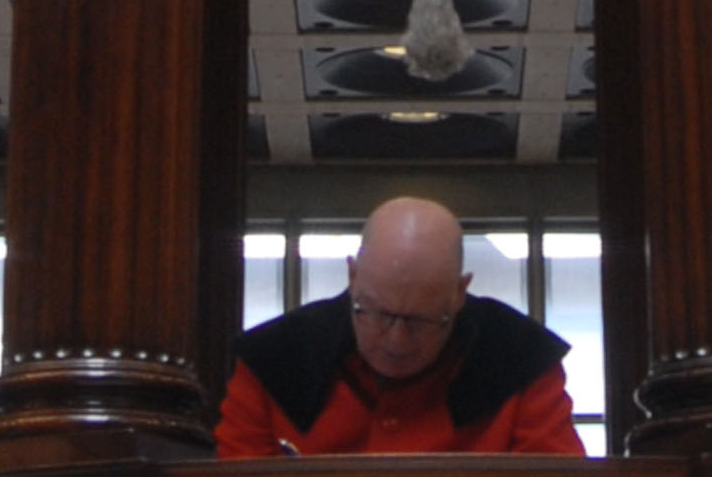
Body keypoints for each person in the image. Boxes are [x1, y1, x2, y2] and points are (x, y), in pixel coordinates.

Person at [216, 194, 585, 458]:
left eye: (420, 320)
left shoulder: (521, 361)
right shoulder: (273, 361)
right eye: (374, 313)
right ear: (352, 277)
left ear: (459, 294)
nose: (395, 340)